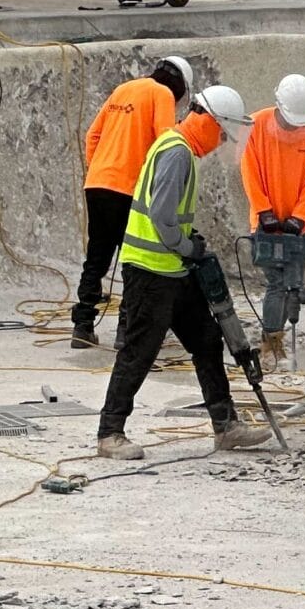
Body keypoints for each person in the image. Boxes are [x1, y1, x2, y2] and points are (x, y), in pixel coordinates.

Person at [95, 86, 274, 461]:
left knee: (207, 340)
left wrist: (187, 244)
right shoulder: (177, 153)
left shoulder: (180, 150)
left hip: (173, 269)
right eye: (222, 132)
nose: (220, 141)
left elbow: (170, 216)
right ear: (207, 121)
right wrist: (187, 246)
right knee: (139, 351)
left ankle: (225, 426)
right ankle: (110, 433)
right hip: (151, 269)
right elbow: (161, 217)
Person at [71, 56, 212, 348]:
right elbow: (165, 142)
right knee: (133, 263)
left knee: (97, 258)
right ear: (180, 87)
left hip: (97, 184)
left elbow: (92, 135)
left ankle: (82, 326)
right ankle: (126, 331)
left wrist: (99, 169)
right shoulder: (161, 94)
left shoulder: (123, 89)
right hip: (130, 189)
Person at [243, 73, 305, 360]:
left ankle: (281, 333)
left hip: (298, 225)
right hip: (265, 223)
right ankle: (271, 345)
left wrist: (301, 216)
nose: (298, 127)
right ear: (278, 106)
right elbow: (250, 172)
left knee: (293, 283)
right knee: (276, 283)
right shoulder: (255, 125)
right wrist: (263, 210)